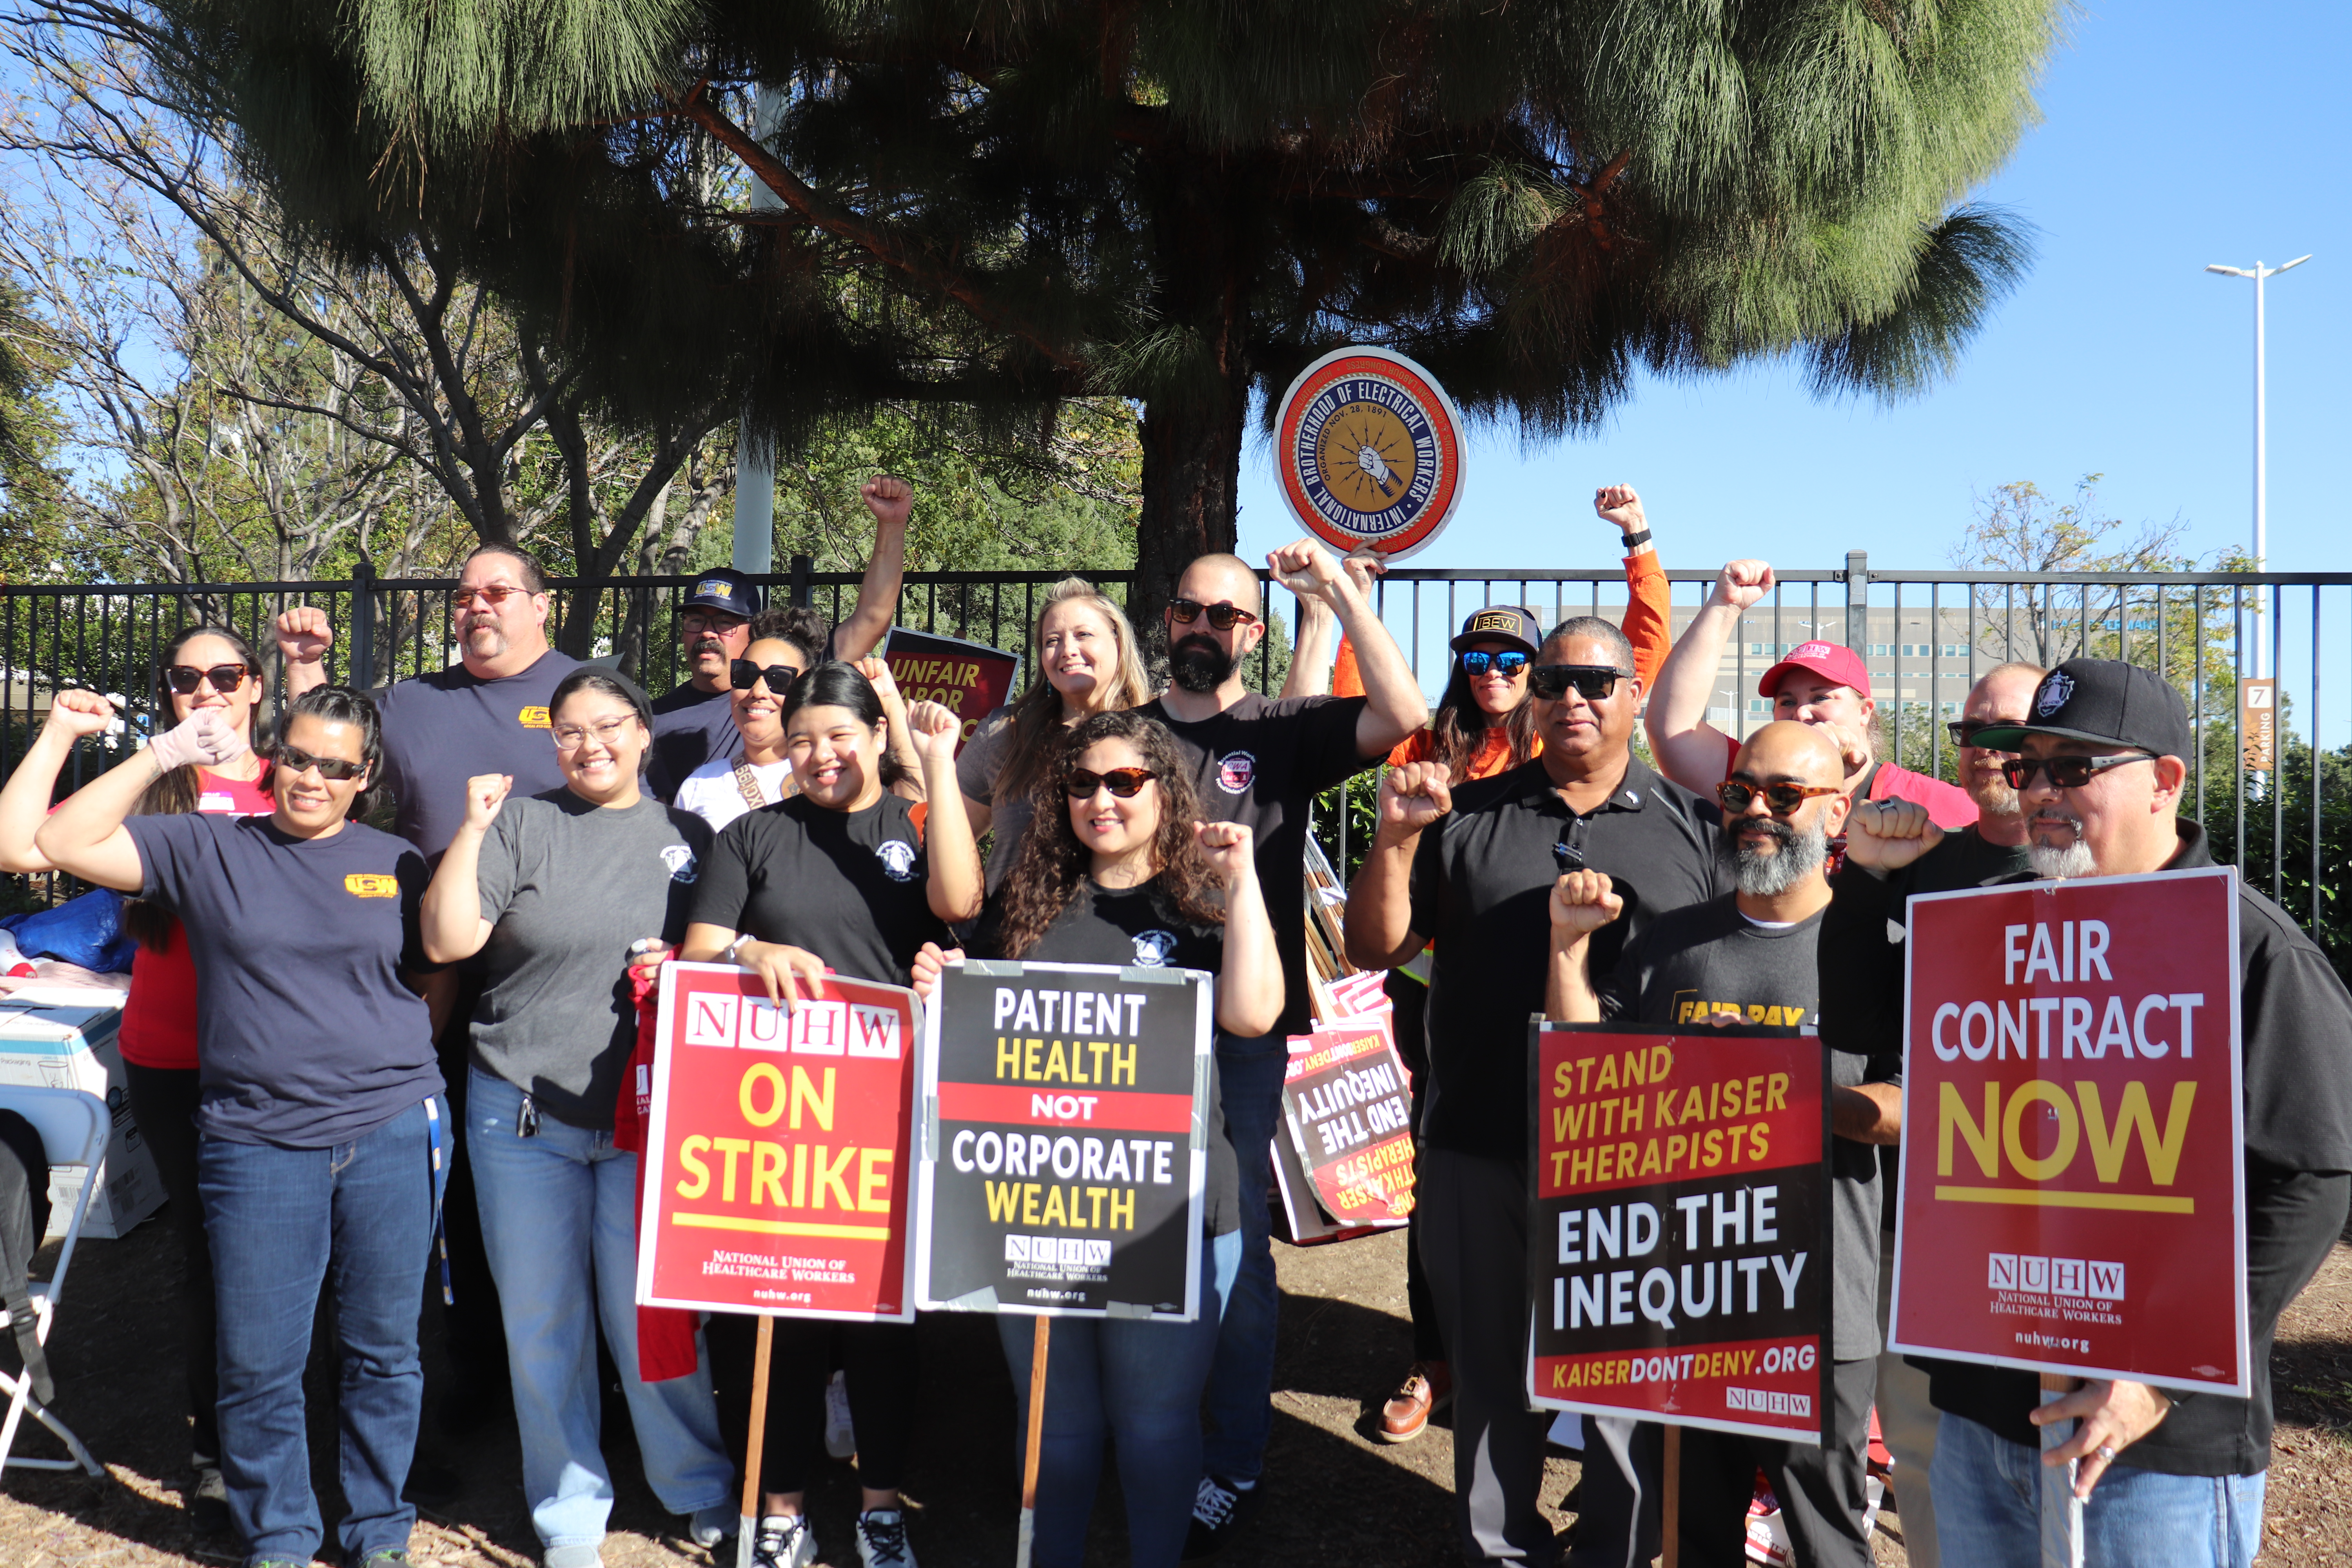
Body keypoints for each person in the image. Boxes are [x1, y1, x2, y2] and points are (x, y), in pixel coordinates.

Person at [1897, 660, 2352, 1568]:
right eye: (2028, 767)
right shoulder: (1984, 926)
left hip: (2147, 1448)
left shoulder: (2251, 946)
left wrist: (2158, 1380)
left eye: (2076, 768)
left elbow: (2312, 1179)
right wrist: (1872, 881)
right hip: (1983, 1419)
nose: (2040, 791)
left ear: (2167, 781)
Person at [1343, 617, 1725, 1567]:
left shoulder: (1700, 831)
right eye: (1554, 680)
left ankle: (1616, 1551)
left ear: (1637, 696)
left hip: (1642, 1160)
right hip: (1479, 1141)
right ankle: (1498, 1549)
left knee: (1627, 1391)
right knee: (1488, 1382)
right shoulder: (1469, 817)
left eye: (1599, 680)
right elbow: (1373, 947)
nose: (1575, 699)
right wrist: (1394, 839)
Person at [36, 685, 446, 1568]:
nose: (313, 778)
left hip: (387, 1129)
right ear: (274, 757)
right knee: (259, 1360)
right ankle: (283, 1537)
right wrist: (165, 751)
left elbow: (433, 965)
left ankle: (379, 1530)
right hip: (256, 1142)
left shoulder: (398, 859)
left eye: (337, 766)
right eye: (298, 757)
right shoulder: (209, 846)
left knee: (383, 1349)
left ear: (364, 776)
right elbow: (63, 840)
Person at [907, 710, 1281, 1567]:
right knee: (1057, 1428)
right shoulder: (1028, 901)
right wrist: (948, 990)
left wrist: (1246, 876)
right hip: (1039, 1211)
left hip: (1173, 1215)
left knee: (1154, 1427)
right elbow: (983, 1049)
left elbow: (1254, 1014)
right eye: (1082, 784)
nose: (1102, 800)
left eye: (1123, 782)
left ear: (1163, 789)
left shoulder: (1204, 898)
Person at [1133, 539, 1427, 1559]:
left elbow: (1402, 714)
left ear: (1251, 633)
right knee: (1125, 1232)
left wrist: (1340, 593)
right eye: (1191, 611)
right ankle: (1137, 1438)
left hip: (1241, 1033)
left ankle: (1233, 1458)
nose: (1205, 629)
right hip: (1127, 1031)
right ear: (1167, 619)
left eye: (1227, 616)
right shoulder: (1122, 733)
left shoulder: (1280, 732)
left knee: (1232, 1251)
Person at [1547, 722, 1892, 1568]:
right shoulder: (1671, 940)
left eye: (1785, 795)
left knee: (1826, 1536)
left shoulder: (1879, 947)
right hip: (1689, 1290)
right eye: (1740, 792)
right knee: (1695, 1530)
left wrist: (1781, 1087)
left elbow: (1906, 1107)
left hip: (1819, 1302)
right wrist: (1565, 946)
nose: (1756, 812)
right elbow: (1590, 1080)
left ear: (1838, 810)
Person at [418, 667, 735, 1568]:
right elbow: (445, 942)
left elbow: (729, 949)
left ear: (644, 734)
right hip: (522, 1113)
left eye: (608, 726)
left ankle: (697, 1482)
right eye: (570, 731)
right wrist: (474, 827)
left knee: (656, 1318)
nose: (590, 744)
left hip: (647, 1117)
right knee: (543, 1319)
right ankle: (568, 1507)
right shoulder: (523, 823)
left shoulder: (690, 833)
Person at [677, 662, 981, 1568]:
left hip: (888, 1118)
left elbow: (961, 907)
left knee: (881, 1325)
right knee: (772, 1323)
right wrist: (751, 945)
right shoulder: (753, 835)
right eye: (803, 738)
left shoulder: (915, 825)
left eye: (839, 735)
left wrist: (933, 760)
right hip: (770, 1123)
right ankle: (782, 1510)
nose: (820, 755)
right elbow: (698, 952)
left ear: (874, 737)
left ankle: (881, 1508)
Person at [278, 544, 580, 1434]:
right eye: (464, 594)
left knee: (553, 1194)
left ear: (541, 604)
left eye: (497, 591)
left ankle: (574, 1380)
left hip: (555, 993)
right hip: (424, 991)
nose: (476, 605)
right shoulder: (411, 704)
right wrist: (306, 668)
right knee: (432, 1197)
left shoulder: (585, 700)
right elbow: (328, 765)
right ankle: (459, 1377)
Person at [0, 627, 274, 1533]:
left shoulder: (298, 779)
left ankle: (283, 1435)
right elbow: (21, 847)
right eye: (187, 677)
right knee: (211, 1259)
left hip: (282, 1060)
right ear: (167, 693)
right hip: (176, 1059)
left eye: (226, 674)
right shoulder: (155, 788)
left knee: (289, 1257)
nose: (207, 690)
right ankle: (217, 1461)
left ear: (256, 686)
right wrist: (61, 736)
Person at [1814, 661, 2044, 1568]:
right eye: (1969, 732)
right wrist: (1868, 878)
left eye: (2009, 733)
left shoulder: (2106, 870)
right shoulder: (1924, 865)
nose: (1985, 752)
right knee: (1928, 1444)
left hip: (2072, 1208)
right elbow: (1854, 1018)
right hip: (1932, 1210)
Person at [1644, 560, 1976, 827]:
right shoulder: (1750, 791)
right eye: (1787, 702)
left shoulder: (1935, 803)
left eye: (1821, 698)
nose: (1801, 713)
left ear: (1865, 711)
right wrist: (1725, 606)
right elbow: (1671, 728)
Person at [646, 475, 910, 801]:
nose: (708, 632)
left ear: (752, 630)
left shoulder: (793, 684)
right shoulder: (651, 719)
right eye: (696, 620)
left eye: (725, 622)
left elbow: (872, 617)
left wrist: (892, 525)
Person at [956, 577, 1153, 889]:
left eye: (1084, 635)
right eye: (1052, 641)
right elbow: (947, 839)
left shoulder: (1156, 734)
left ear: (1118, 642)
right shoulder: (1004, 733)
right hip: (1010, 932)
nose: (1067, 650)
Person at [673, 632, 924, 831]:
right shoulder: (698, 785)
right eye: (746, 675)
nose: (759, 692)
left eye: (779, 679)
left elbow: (916, 811)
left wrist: (890, 702)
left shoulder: (833, 768)